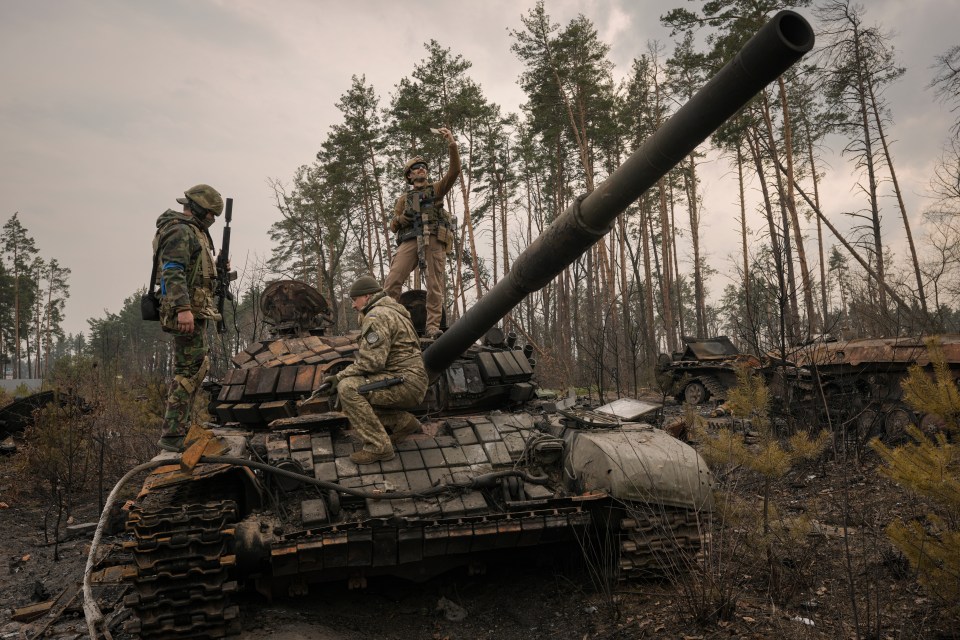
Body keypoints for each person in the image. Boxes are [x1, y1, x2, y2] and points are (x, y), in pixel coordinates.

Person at [323, 276, 428, 465]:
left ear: (367, 296)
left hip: (403, 381)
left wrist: (339, 377)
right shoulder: (393, 312)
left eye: (355, 300)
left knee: (348, 389)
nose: (354, 305)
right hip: (409, 380)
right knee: (357, 401)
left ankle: (378, 447)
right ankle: (404, 423)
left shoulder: (376, 316)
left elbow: (372, 362)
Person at [154, 184, 224, 452]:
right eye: (210, 214)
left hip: (195, 310)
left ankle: (180, 428)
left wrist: (219, 270)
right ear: (196, 208)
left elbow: (195, 271)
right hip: (186, 312)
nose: (212, 220)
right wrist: (183, 309)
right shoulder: (180, 230)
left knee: (195, 367)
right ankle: (173, 435)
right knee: (189, 371)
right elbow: (173, 270)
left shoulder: (193, 231)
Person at [384, 127, 461, 339]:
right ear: (409, 175)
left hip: (432, 239)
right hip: (409, 240)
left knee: (435, 285)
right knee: (392, 282)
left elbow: (454, 172)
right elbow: (393, 225)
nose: (421, 170)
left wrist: (451, 143)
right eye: (416, 168)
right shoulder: (403, 199)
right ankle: (391, 325)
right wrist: (401, 219)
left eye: (423, 167)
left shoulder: (436, 189)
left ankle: (432, 328)